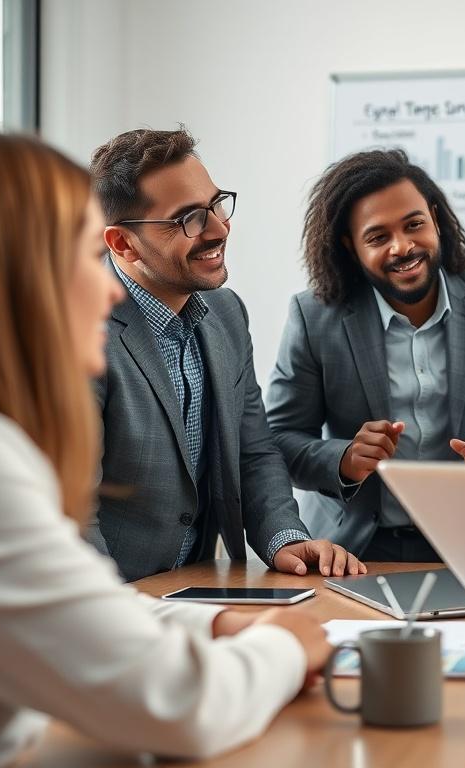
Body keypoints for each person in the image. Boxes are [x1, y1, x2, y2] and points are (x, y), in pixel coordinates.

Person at [0, 129, 334, 765]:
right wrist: (286, 645)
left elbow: (67, 612)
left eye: (216, 204)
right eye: (84, 256)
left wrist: (214, 621)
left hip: (155, 606)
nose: (108, 290)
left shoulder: (225, 314)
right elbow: (183, 705)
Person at [266, 149, 465, 562]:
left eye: (414, 225)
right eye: (378, 237)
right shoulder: (314, 317)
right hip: (351, 549)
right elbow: (278, 440)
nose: (403, 247)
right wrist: (345, 460)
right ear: (350, 246)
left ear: (435, 218)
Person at [88, 128, 365, 581]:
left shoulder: (226, 312)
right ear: (122, 243)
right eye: (189, 219)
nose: (219, 228)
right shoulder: (76, 333)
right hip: (114, 604)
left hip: (196, 584)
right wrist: (113, 615)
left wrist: (285, 539)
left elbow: (253, 452)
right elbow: (70, 509)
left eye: (217, 204)